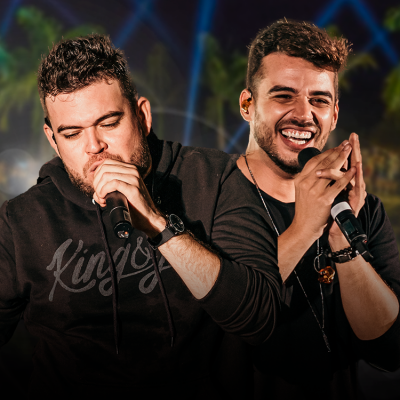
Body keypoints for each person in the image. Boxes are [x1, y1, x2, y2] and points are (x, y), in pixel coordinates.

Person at [0, 34, 281, 399]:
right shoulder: (21, 220)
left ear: (142, 116)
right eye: (71, 134)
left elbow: (259, 320)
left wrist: (158, 226)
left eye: (109, 123)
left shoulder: (216, 177)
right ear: (53, 140)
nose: (94, 147)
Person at [236, 20, 400, 399]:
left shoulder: (359, 209)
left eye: (319, 100)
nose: (304, 114)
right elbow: (207, 327)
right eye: (284, 95)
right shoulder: (208, 194)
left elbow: (389, 351)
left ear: (335, 114)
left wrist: (342, 242)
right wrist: (306, 227)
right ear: (248, 105)